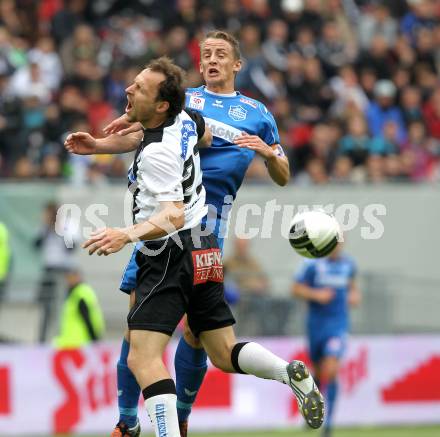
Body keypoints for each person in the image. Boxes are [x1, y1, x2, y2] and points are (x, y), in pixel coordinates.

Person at [66, 31, 312, 437]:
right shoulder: (187, 102)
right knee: (200, 342)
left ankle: (165, 419)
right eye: (206, 54)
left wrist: (269, 156)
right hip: (190, 232)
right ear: (199, 64)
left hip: (175, 228)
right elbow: (166, 132)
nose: (212, 60)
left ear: (237, 64)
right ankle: (135, 420)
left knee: (159, 343)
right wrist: (103, 143)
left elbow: (282, 175)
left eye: (221, 55)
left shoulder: (256, 114)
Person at [292, 243, 361, 437]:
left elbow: (354, 289)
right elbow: (295, 288)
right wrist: (317, 295)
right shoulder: (311, 264)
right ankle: (312, 409)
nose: (337, 246)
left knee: (330, 370)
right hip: (316, 327)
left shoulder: (349, 264)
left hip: (338, 327)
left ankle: (328, 424)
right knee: (318, 372)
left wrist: (354, 296)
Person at [53, 268, 105, 349]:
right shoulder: (80, 292)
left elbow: (87, 319)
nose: (68, 280)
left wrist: (94, 340)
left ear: (77, 277)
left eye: (70, 277)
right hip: (76, 343)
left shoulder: (79, 294)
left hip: (79, 343)